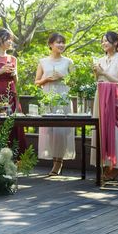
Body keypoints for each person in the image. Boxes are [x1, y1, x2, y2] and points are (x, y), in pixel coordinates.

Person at [91, 31, 118, 181]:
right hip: (101, 96)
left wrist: (103, 73)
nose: (104, 43)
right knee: (101, 128)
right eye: (102, 41)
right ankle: (105, 162)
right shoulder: (100, 60)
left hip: (115, 98)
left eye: (107, 41)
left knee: (116, 130)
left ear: (115, 43)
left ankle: (116, 166)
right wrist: (97, 73)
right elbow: (98, 79)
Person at [34, 33, 75, 176]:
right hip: (48, 98)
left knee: (62, 131)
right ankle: (54, 160)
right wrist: (46, 80)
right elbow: (36, 82)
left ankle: (58, 162)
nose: (61, 45)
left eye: (63, 42)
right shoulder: (43, 61)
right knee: (50, 131)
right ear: (51, 44)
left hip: (63, 98)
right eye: (58, 42)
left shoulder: (68, 61)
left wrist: (62, 77)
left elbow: (75, 82)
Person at [0, 28, 27, 154]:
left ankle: (16, 157)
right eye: (8, 39)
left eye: (11, 40)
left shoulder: (13, 59)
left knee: (15, 123)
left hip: (11, 93)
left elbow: (16, 81)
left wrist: (15, 74)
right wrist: (0, 71)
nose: (10, 42)